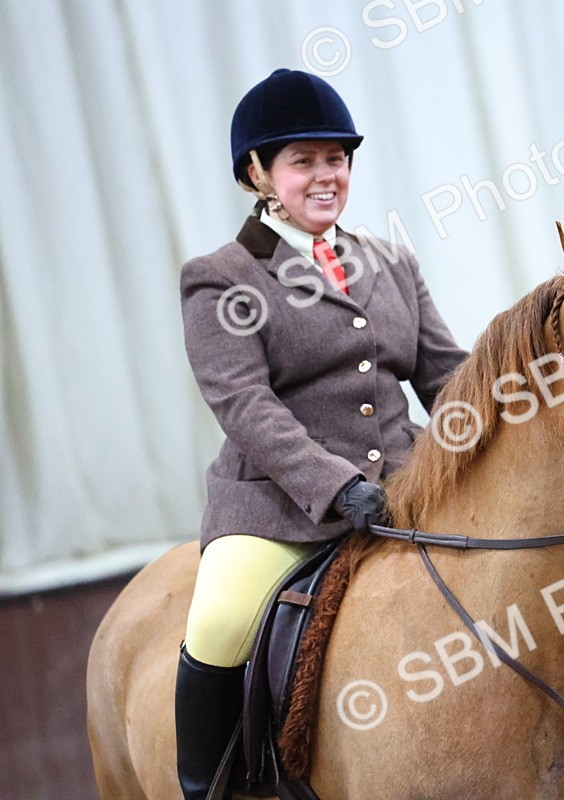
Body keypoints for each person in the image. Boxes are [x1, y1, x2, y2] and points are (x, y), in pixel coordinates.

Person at [175, 68, 468, 800]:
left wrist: (527, 419)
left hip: (402, 491)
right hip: (279, 509)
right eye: (302, 161)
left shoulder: (391, 261)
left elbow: (446, 376)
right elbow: (245, 405)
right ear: (258, 174)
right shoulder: (221, 277)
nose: (325, 175)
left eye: (335, 158)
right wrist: (338, 486)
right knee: (216, 621)